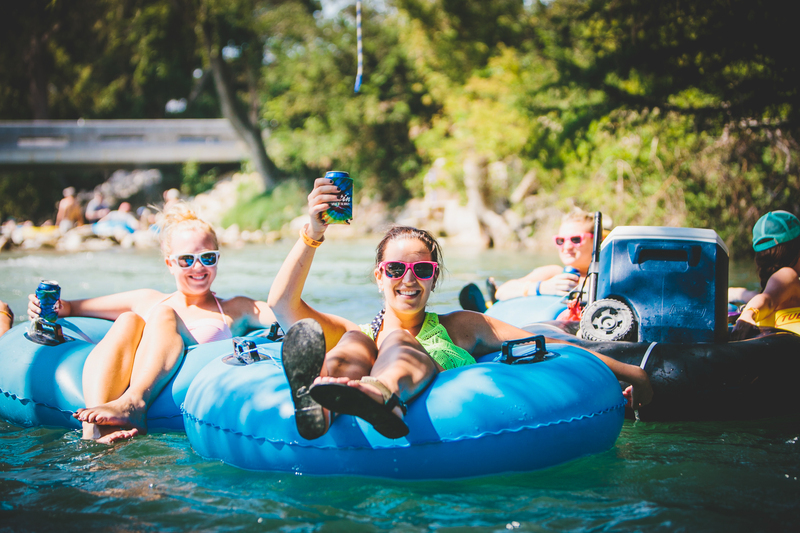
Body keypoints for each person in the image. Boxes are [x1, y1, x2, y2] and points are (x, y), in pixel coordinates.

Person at [267, 178, 652, 440]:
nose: (409, 279)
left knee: (399, 341)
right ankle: (321, 402)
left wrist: (629, 372)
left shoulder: (462, 325)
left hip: (423, 388)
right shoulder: (359, 331)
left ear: (434, 278)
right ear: (379, 276)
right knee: (352, 342)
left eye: (422, 269)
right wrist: (313, 232)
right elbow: (281, 305)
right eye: (396, 269)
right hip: (358, 351)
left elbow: (547, 344)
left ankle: (380, 394)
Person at [28, 203, 276, 444]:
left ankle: (134, 403)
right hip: (127, 388)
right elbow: (71, 307)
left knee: (162, 314)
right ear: (170, 264)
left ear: (218, 259)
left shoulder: (237, 308)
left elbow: (283, 313)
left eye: (208, 257)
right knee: (128, 319)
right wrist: (46, 307)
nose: (198, 266)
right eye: (186, 260)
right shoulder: (147, 300)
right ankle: (93, 430)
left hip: (185, 393)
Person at [494, 209, 597, 301]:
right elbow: (502, 291)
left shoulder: (606, 276)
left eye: (576, 239)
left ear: (596, 240)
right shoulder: (554, 273)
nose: (567, 247)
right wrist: (542, 287)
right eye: (560, 241)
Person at [731, 210, 800, 340]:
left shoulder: (772, 291)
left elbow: (762, 297)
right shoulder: (788, 275)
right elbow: (767, 300)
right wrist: (747, 315)